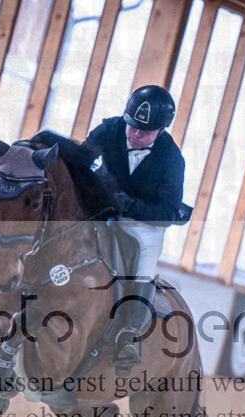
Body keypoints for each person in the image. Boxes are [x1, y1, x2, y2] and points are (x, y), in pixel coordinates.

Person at [84, 85, 188, 376]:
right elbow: (81, 159)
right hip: (103, 208)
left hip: (143, 223)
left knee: (146, 259)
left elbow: (168, 212)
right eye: (131, 126)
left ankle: (128, 334)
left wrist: (130, 206)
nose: (134, 134)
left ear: (161, 130)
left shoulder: (172, 160)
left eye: (144, 132)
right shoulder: (110, 129)